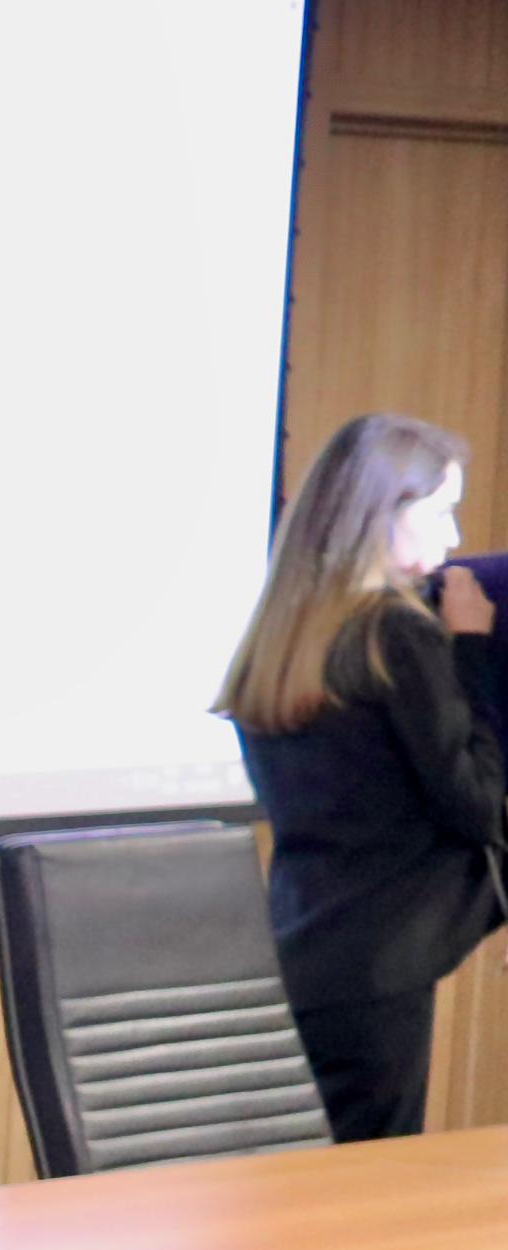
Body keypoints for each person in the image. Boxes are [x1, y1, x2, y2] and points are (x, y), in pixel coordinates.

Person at [219, 409, 506, 1140]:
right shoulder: (398, 634)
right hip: (384, 965)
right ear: (380, 512)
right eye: (439, 512)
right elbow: (475, 804)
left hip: (302, 944)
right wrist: (471, 652)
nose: (453, 540)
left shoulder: (282, 635)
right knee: (366, 1178)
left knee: (307, 1176)